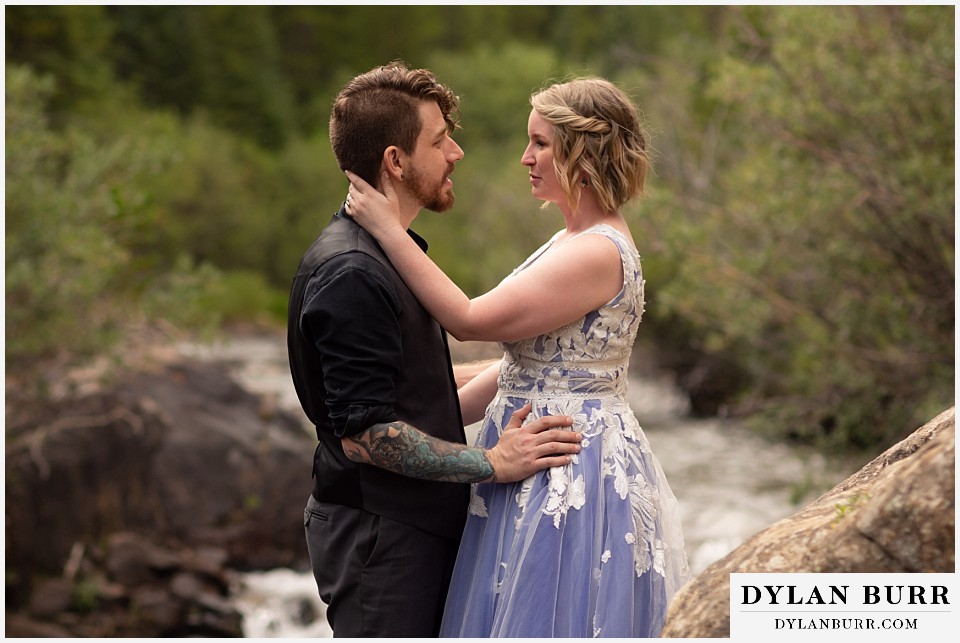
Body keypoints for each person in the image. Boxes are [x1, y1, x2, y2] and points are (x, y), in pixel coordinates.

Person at [345, 76, 691, 637]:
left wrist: (388, 230)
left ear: (584, 152)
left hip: (566, 466)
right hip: (528, 451)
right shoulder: (568, 239)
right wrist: (415, 418)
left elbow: (469, 320)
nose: (525, 158)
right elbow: (525, 372)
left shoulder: (597, 251)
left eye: (541, 144)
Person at [286, 62, 584, 638]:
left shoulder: (380, 256)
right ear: (396, 162)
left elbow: (411, 383)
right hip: (382, 535)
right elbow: (368, 436)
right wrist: (493, 463)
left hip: (405, 525)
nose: (456, 153)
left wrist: (525, 370)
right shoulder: (352, 272)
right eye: (439, 140)